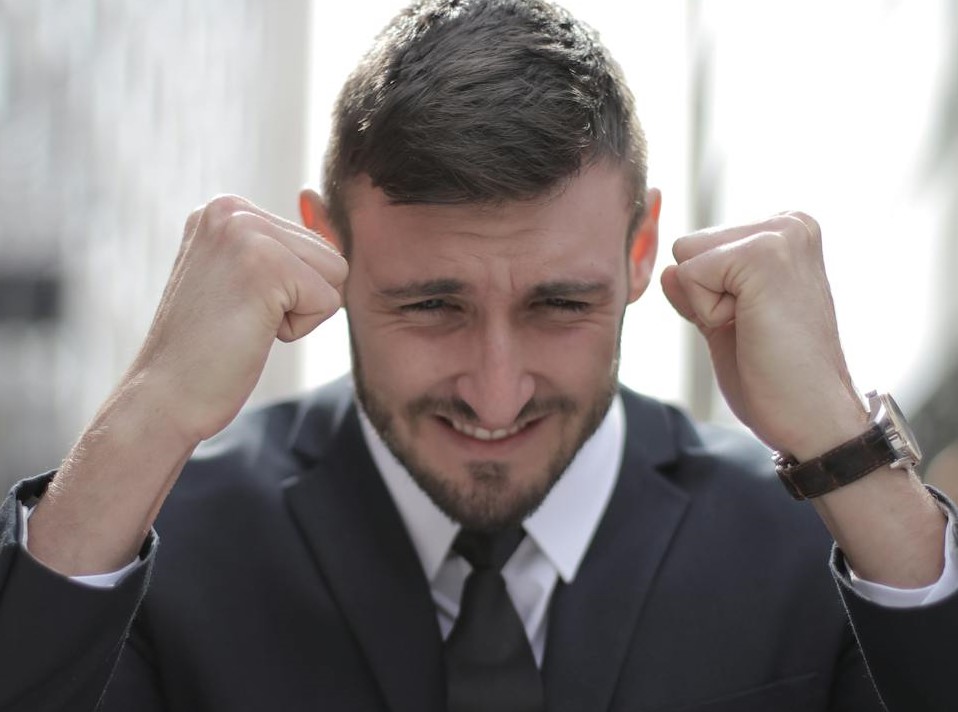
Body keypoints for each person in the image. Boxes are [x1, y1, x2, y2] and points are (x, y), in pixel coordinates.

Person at [0, 1, 955, 710]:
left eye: (558, 305)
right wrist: (149, 413)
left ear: (638, 250)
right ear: (326, 247)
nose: (495, 392)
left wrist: (844, 446)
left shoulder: (825, 547)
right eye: (431, 305)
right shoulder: (158, 546)